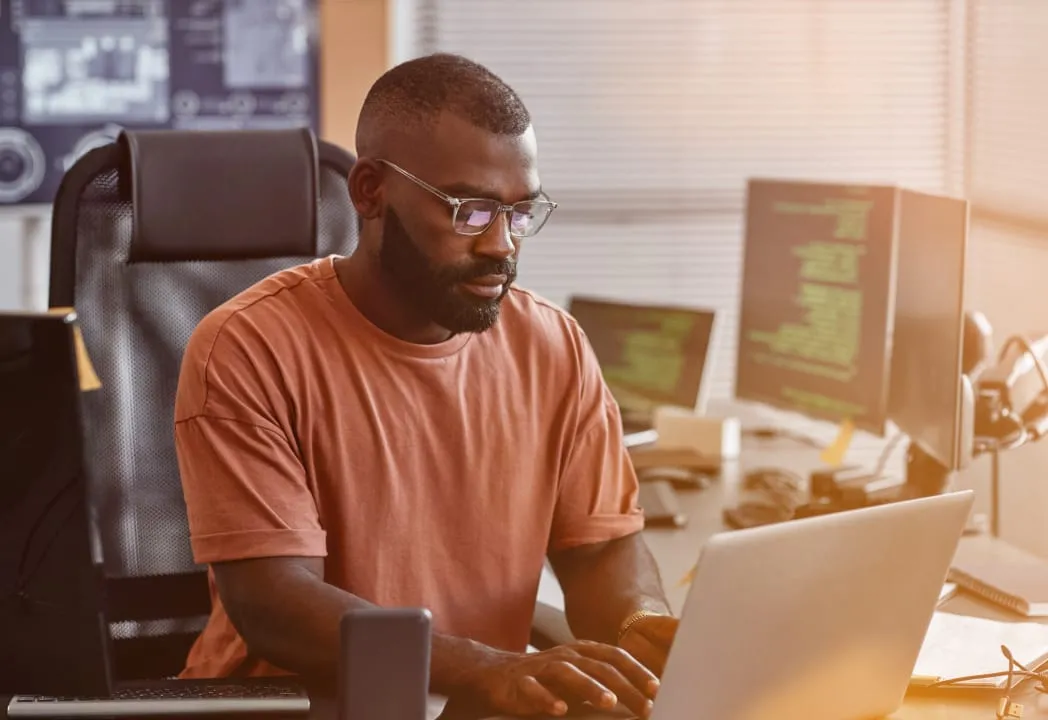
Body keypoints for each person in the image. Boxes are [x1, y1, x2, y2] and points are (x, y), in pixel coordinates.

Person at [173, 52, 677, 719]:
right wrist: (488, 670)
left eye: (520, 213)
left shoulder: (554, 346)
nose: (502, 245)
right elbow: (275, 600)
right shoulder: (247, 346)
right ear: (372, 191)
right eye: (471, 211)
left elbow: (601, 549)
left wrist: (638, 627)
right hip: (291, 705)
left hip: (471, 704)